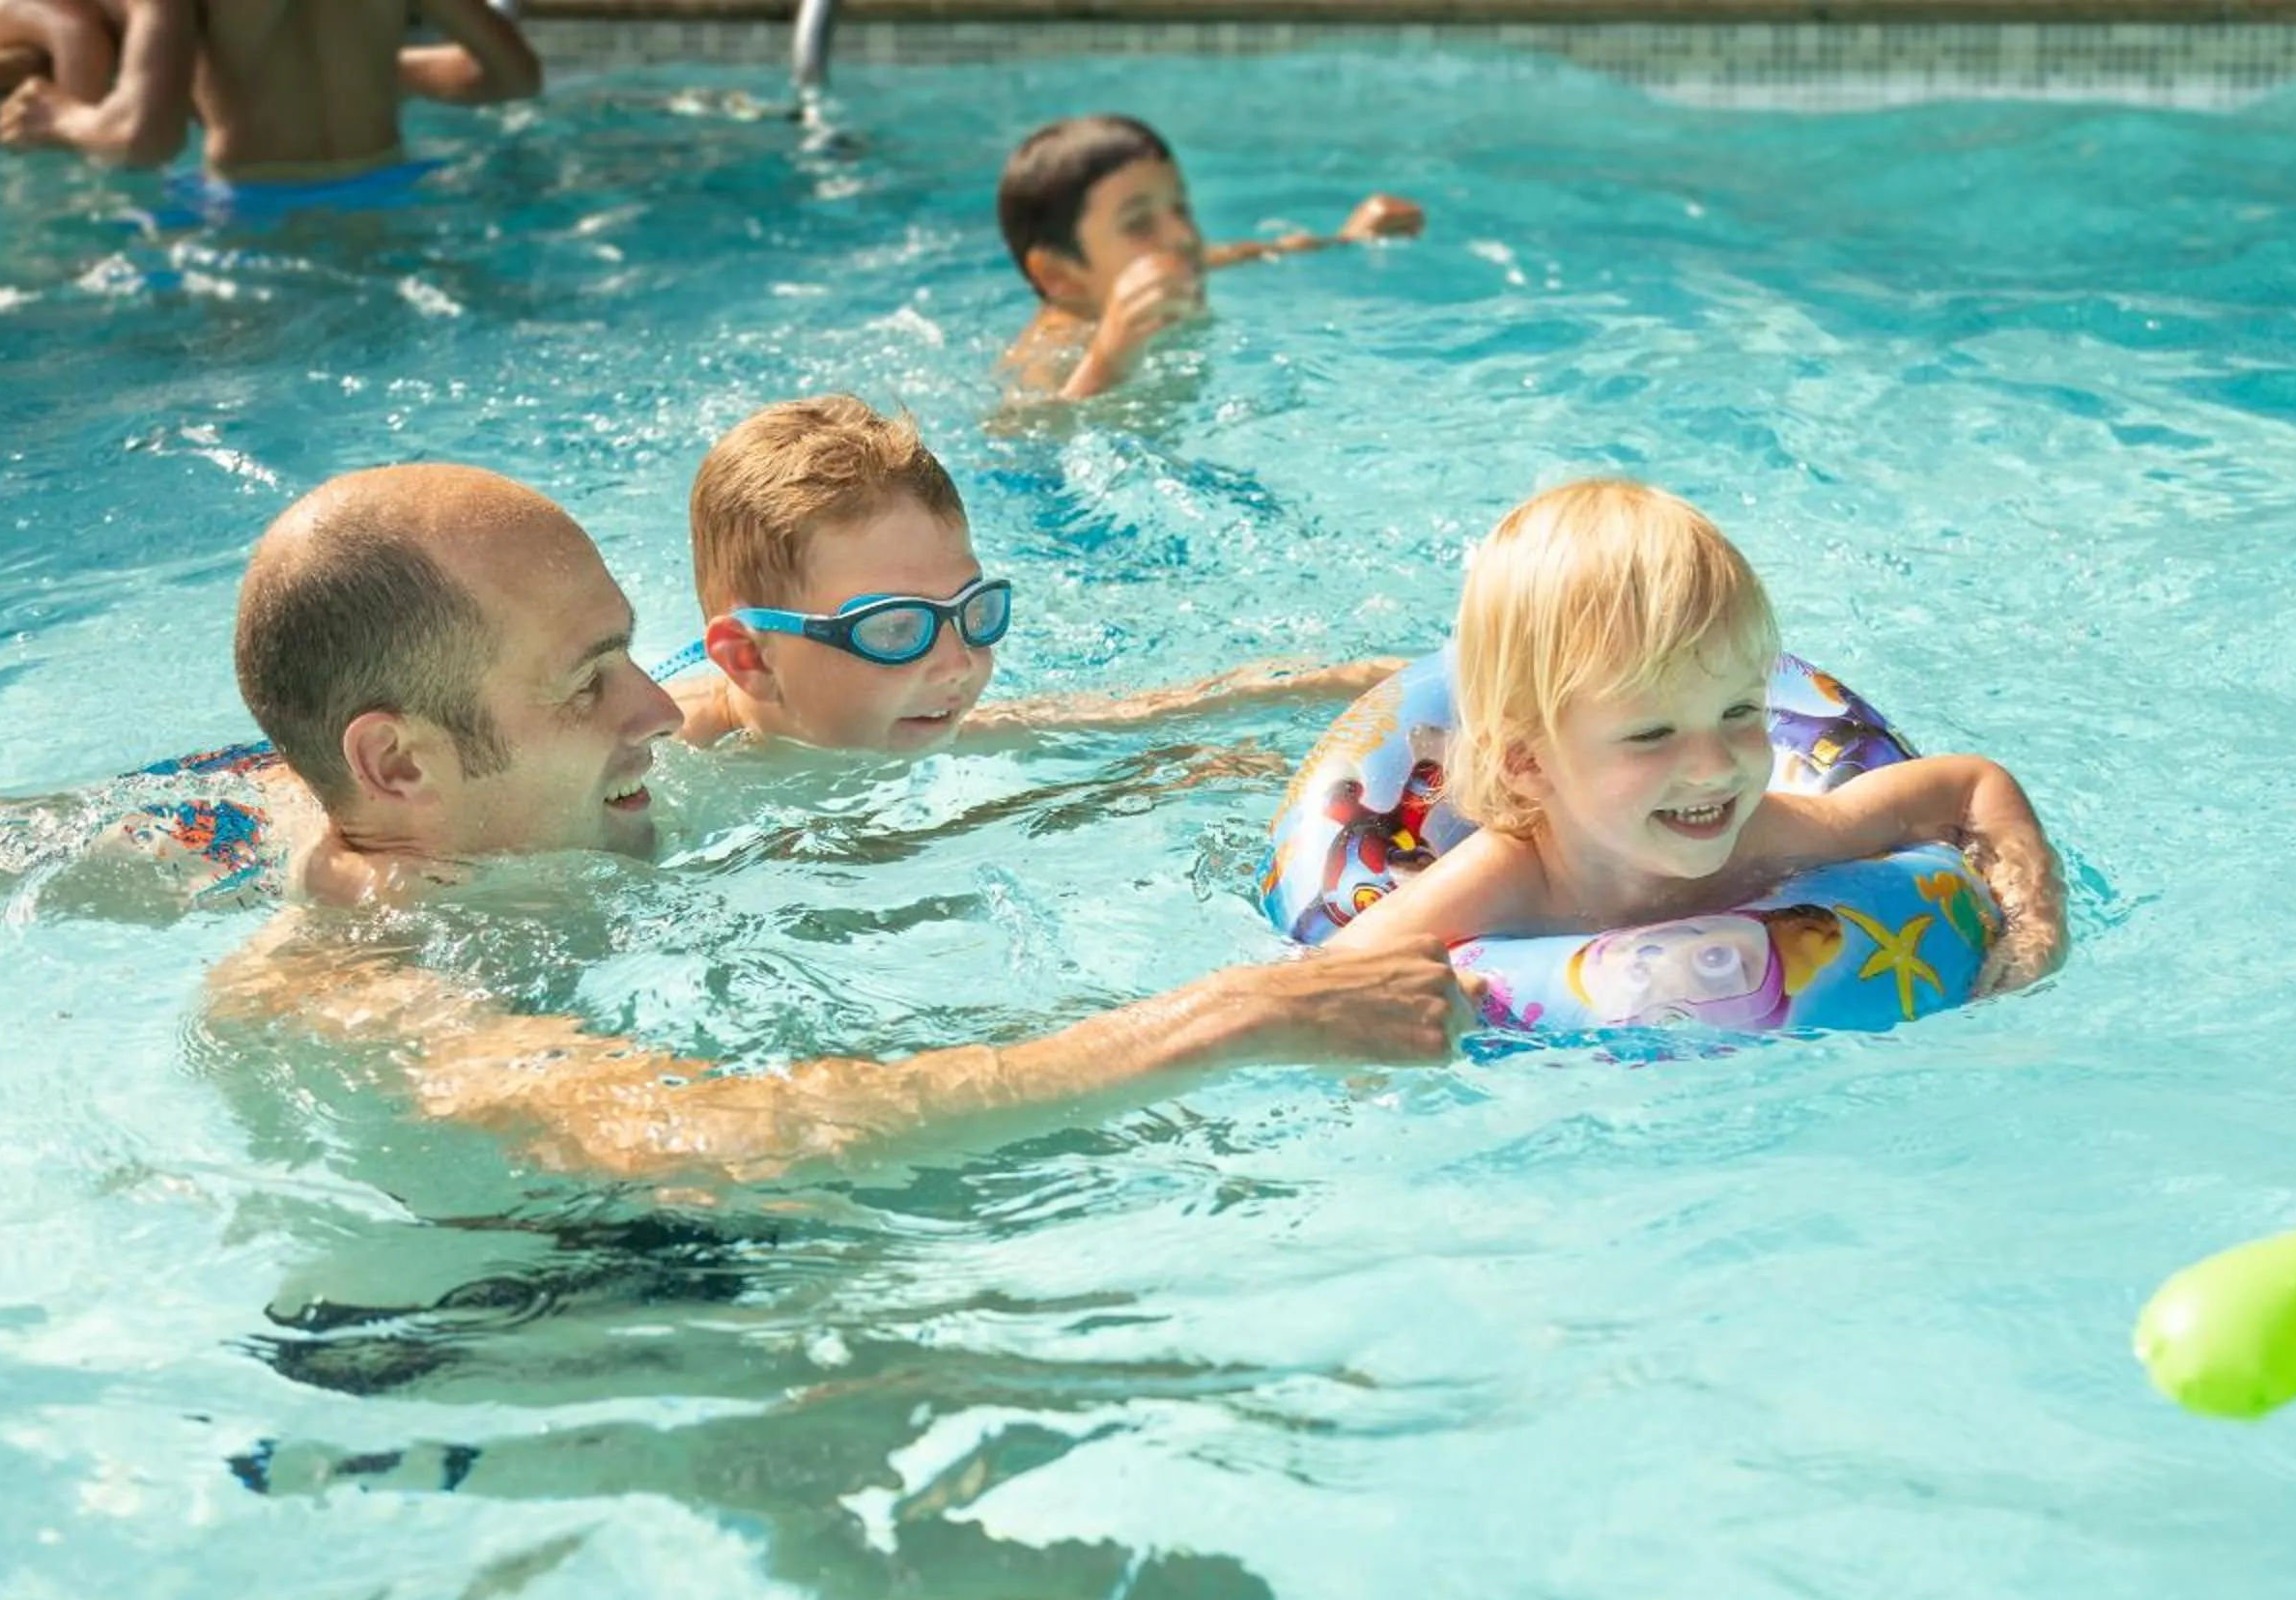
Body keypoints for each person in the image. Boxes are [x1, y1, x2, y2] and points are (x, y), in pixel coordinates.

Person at [201, 463, 1467, 1186]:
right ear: (397, 764)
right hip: (517, 1330)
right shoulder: (367, 997)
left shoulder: (502, 813)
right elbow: (718, 1137)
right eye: (588, 682)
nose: (658, 707)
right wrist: (1230, 1017)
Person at [1325, 478, 2068, 994]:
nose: (1715, 767)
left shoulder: (1774, 835)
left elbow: (1971, 783)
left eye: (1740, 713)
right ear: (1526, 761)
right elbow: (1326, 976)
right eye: (1652, 734)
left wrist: (2033, 921)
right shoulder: (1506, 884)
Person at [663, 392, 1401, 755]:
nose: (958, 663)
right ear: (750, 658)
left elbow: (1143, 714)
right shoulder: (655, 770)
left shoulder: (911, 704)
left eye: (975, 610)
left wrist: (1371, 682)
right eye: (896, 628)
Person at [995, 114, 1424, 403]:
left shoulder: (1183, 265)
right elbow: (1026, 439)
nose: (1182, 236)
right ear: (1060, 277)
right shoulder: (1048, 353)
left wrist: (1344, 238)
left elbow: (1250, 253)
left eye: (1179, 209)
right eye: (1140, 223)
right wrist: (1110, 357)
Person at [0, 0, 538, 183]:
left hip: (255, 222)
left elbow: (143, 138)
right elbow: (512, 76)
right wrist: (376, 72)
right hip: (391, 195)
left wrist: (59, 118)